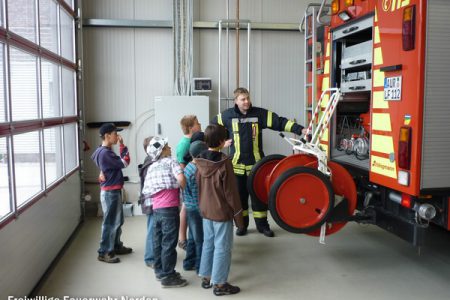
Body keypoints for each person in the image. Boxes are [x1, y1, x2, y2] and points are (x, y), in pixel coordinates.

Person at [212, 87, 307, 237]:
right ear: (236, 101)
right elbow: (212, 128)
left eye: (248, 98)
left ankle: (263, 227)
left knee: (259, 199)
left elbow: (279, 122)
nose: (247, 101)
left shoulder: (260, 114)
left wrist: (300, 129)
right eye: (243, 99)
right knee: (240, 200)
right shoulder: (226, 116)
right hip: (236, 167)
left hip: (257, 167)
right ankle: (242, 226)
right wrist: (221, 144)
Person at [196, 124, 244, 296]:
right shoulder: (224, 163)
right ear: (222, 141)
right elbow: (231, 193)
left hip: (205, 211)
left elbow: (198, 186)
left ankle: (207, 276)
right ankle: (220, 284)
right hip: (221, 213)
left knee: (208, 243)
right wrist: (239, 219)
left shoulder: (199, 161)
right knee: (223, 247)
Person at [142, 137, 188, 288]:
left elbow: (147, 190)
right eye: (167, 146)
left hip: (156, 210)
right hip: (169, 209)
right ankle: (168, 276)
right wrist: (183, 187)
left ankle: (160, 272)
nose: (170, 148)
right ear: (162, 151)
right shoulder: (171, 161)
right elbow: (181, 178)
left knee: (158, 241)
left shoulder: (151, 167)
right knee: (169, 242)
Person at [91, 123, 132, 263]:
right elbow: (125, 162)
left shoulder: (101, 151)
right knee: (110, 223)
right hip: (110, 193)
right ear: (107, 135)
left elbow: (94, 158)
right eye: (115, 133)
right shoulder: (105, 153)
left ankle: (115, 246)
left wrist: (103, 170)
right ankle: (104, 252)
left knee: (117, 221)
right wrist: (122, 146)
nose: (118, 136)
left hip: (112, 191)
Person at [176, 115, 201, 256]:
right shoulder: (184, 144)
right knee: (186, 208)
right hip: (187, 183)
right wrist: (185, 186)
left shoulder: (192, 141)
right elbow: (182, 166)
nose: (200, 124)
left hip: (190, 182)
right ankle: (182, 239)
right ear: (191, 127)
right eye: (197, 123)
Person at [181, 140, 208, 273]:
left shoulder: (187, 167)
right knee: (200, 239)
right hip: (198, 209)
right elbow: (200, 194)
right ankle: (199, 267)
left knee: (192, 236)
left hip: (190, 207)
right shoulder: (198, 171)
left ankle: (188, 262)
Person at [138, 136, 154, 268]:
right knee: (152, 229)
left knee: (154, 228)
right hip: (151, 202)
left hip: (153, 202)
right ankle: (150, 257)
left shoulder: (151, 161)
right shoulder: (150, 164)